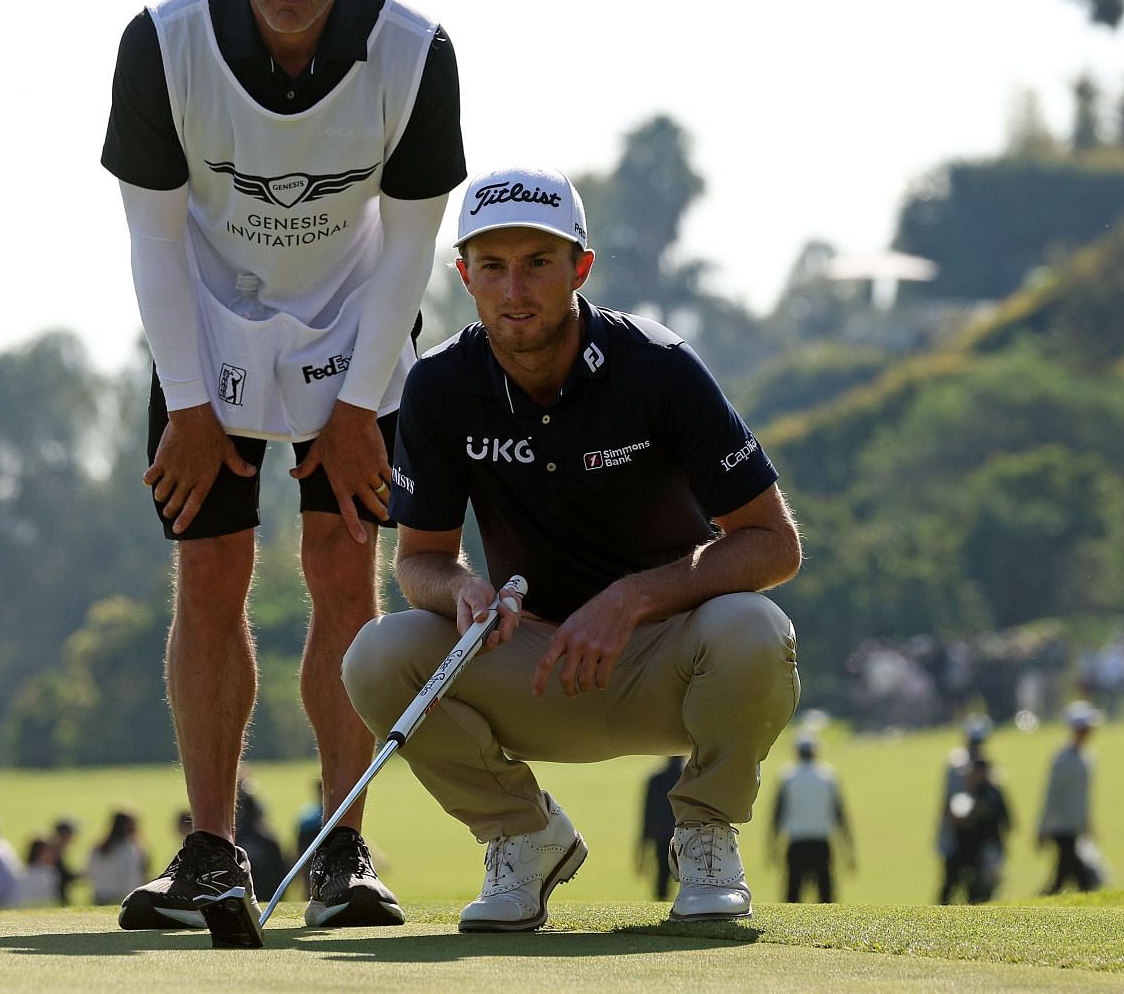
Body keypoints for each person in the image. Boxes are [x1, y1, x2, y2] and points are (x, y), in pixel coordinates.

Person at [103, 0, 464, 934]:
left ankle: (342, 852)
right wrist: (192, 403)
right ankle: (212, 851)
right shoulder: (162, 44)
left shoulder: (413, 51)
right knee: (210, 571)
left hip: (353, 314)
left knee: (343, 568)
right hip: (203, 310)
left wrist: (360, 406)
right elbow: (153, 239)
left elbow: (411, 247)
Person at [341, 168, 803, 932]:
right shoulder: (439, 387)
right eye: (491, 267)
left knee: (755, 631)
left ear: (580, 268)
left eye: (537, 264)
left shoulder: (659, 365)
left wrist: (632, 598)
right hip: (536, 663)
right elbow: (417, 559)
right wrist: (460, 591)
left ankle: (705, 834)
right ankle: (524, 837)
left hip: (671, 664)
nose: (513, 290)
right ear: (465, 276)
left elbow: (773, 544)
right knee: (378, 654)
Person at [771, 735, 854, 903]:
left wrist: (772, 846)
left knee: (792, 895)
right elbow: (840, 814)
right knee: (826, 895)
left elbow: (777, 815)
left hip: (796, 843)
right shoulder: (828, 776)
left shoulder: (787, 777)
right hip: (821, 843)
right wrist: (848, 849)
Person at [1037, 701, 1103, 894]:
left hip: (1075, 827)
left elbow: (1083, 798)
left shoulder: (1086, 757)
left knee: (1063, 877)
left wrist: (1087, 822)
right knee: (1083, 879)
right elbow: (1051, 795)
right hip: (1061, 828)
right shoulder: (1062, 759)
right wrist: (1043, 828)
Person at [938, 757, 1011, 905]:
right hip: (964, 850)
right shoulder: (964, 793)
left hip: (986, 849)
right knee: (951, 888)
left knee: (981, 892)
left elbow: (1005, 821)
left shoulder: (992, 795)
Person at [935, 715, 991, 889]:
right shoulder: (957, 764)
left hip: (976, 834)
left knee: (975, 883)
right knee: (951, 880)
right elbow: (951, 801)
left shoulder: (983, 763)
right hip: (956, 832)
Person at [636, 757, 683, 901]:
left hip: (662, 837)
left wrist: (643, 845)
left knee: (662, 881)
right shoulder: (690, 779)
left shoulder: (656, 780)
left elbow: (647, 814)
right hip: (687, 836)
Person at [86, 810, 147, 908]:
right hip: (121, 898)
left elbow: (89, 870)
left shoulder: (99, 847)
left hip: (99, 895)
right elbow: (131, 878)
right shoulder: (129, 850)